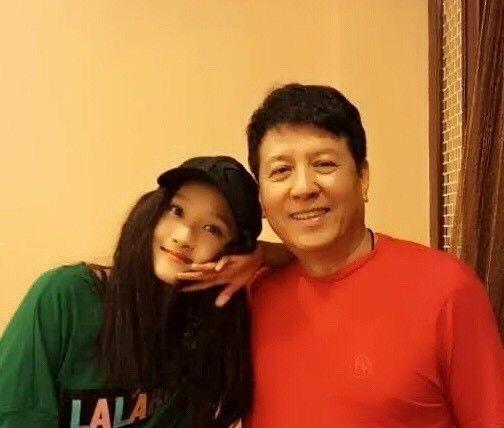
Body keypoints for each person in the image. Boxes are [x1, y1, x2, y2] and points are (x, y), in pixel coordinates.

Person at [240, 83, 504, 427]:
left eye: (324, 164)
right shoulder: (248, 296)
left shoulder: (447, 290)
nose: (303, 187)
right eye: (280, 171)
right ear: (260, 198)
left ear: (362, 178)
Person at [0, 156, 265, 428]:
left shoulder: (205, 332)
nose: (183, 237)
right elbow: (15, 414)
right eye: (176, 210)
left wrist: (259, 254)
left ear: (233, 253)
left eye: (213, 229)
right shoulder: (66, 297)